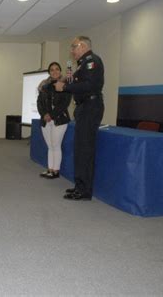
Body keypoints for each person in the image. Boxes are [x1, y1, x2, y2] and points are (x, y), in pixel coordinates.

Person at [55, 36, 104, 201]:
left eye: (73, 47)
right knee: (80, 149)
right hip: (84, 107)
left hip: (90, 107)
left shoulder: (92, 61)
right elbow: (74, 80)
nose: (72, 51)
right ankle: (79, 186)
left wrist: (66, 87)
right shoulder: (82, 64)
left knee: (85, 150)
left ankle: (84, 191)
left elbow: (90, 85)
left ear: (82, 46)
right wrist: (62, 82)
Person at [37, 62, 72, 179]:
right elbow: (39, 103)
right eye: (52, 70)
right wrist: (44, 114)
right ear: (49, 72)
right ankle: (50, 169)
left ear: (60, 71)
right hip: (45, 120)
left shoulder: (65, 85)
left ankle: (56, 171)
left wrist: (51, 115)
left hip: (59, 120)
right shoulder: (44, 86)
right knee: (50, 146)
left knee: (56, 145)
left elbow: (64, 104)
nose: (54, 71)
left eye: (57, 69)